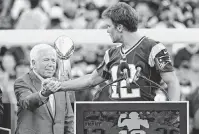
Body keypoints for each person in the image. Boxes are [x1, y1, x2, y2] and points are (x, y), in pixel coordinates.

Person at [47, 2, 180, 101]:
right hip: (115, 118)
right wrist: (59, 85)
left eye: (109, 26)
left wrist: (174, 113)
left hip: (145, 118)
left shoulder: (153, 48)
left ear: (120, 27)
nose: (107, 30)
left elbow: (172, 82)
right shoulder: (111, 54)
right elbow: (91, 80)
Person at [9, 44, 74, 134]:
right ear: (33, 63)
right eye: (46, 60)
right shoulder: (22, 82)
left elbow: (68, 119)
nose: (51, 64)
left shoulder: (60, 85)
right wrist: (44, 93)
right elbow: (27, 102)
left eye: (53, 60)